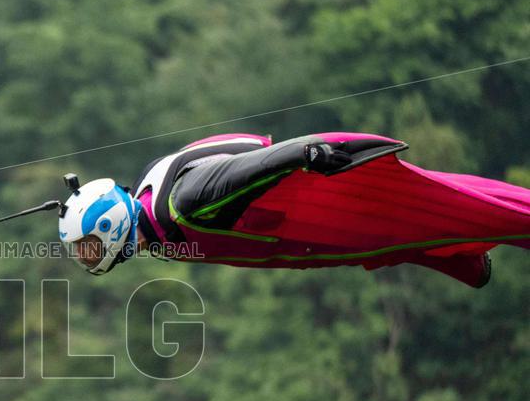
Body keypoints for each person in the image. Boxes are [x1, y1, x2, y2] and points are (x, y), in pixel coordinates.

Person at [58, 132, 530, 287]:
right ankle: (454, 255)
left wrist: (305, 154)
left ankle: (471, 239)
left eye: (89, 246)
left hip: (329, 216)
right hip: (313, 243)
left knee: (408, 229)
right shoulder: (156, 224)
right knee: (384, 251)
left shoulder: (185, 203)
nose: (89, 258)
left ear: (110, 223)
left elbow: (247, 169)